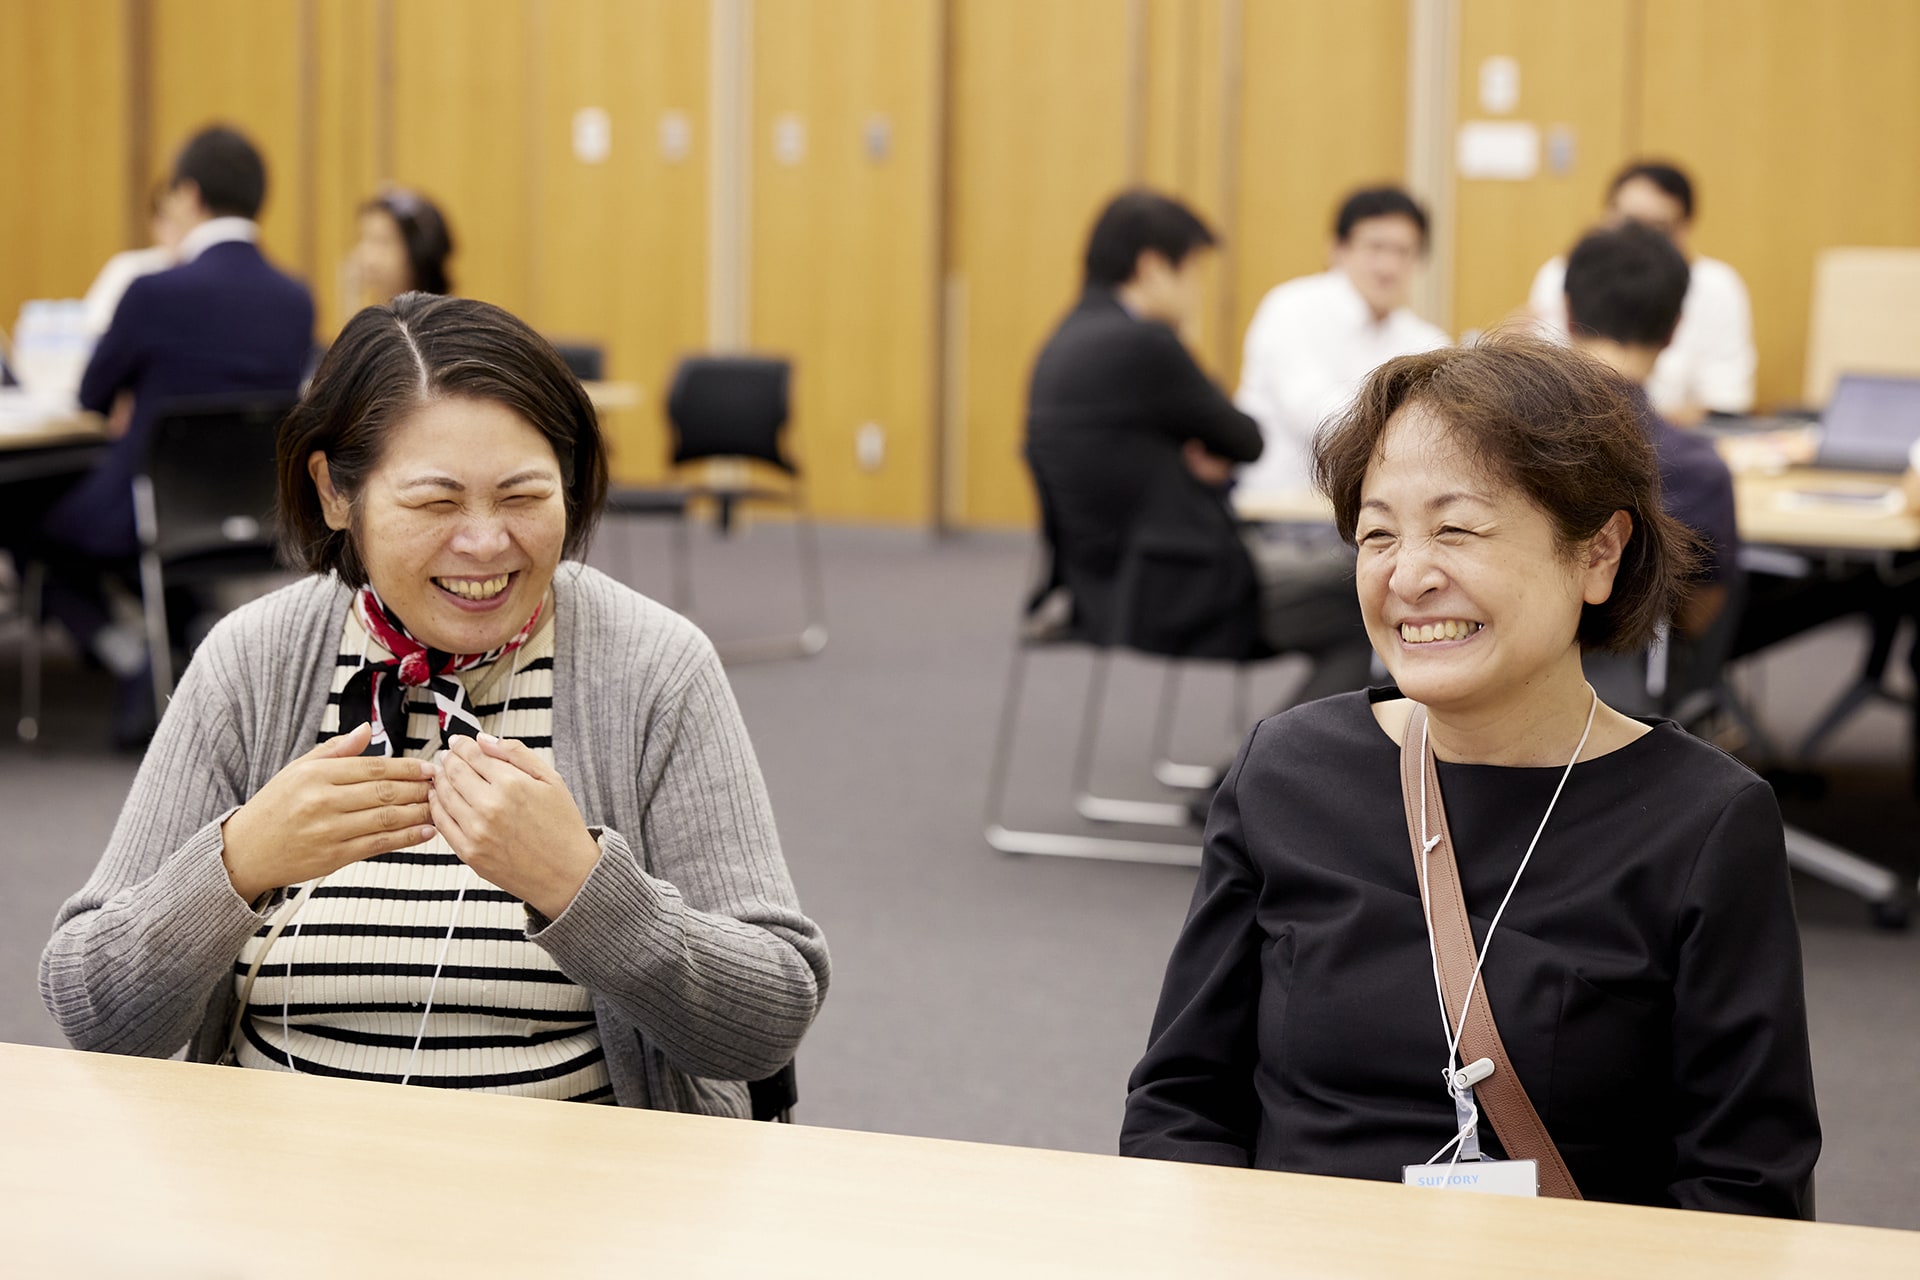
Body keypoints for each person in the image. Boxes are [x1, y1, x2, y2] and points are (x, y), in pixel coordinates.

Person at [41, 293, 829, 1113]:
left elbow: (765, 1025)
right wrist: (240, 863)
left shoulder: (652, 668)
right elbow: (94, 1012)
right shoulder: (255, 662)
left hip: (579, 1211)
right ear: (335, 495)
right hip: (279, 1207)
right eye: (436, 503)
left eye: (524, 497)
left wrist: (581, 887)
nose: (486, 544)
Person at [1121, 336, 1819, 1215]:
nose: (1409, 576)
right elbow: (1179, 1106)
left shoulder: (1703, 823)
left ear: (1598, 553)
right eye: (1378, 534)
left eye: (1457, 528)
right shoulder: (1288, 773)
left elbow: (1745, 1192)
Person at [1025, 190, 1372, 704]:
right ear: (1152, 267)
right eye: (1191, 271)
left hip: (1101, 585)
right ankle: (1261, 776)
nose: (1197, 290)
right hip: (1181, 582)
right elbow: (1246, 439)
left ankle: (1268, 767)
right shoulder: (1144, 344)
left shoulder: (1062, 343)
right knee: (1367, 592)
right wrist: (1179, 342)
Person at [27, 124, 315, 742]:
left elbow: (90, 399)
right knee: (144, 541)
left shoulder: (154, 291)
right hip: (251, 507)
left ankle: (132, 658)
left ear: (187, 194)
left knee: (24, 516)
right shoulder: (295, 299)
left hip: (145, 506)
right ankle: (188, 636)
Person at [1563, 222, 1739, 641]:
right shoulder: (1695, 467)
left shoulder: (1500, 435)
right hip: (1628, 679)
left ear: (1567, 312)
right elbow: (1698, 616)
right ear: (1675, 327)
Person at [1235, 186, 1449, 495]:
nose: (1389, 267)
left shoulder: (1424, 337)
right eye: (1375, 248)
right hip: (1282, 514)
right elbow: (1320, 419)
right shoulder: (1291, 308)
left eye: (1403, 252)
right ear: (1337, 249)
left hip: (1380, 518)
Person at [1528, 161, 1754, 424]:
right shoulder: (1561, 274)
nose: (1637, 238)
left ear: (1684, 229)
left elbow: (1725, 401)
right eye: (1628, 221)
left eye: (1657, 227)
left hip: (1674, 445)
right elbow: (1545, 387)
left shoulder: (1716, 286)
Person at [81, 184, 185, 336]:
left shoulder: (213, 270)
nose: (176, 229)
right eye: (167, 218)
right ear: (155, 223)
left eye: (182, 219)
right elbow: (94, 324)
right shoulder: (130, 267)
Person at [351, 187, 455, 302]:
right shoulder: (378, 314)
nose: (364, 253)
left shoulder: (446, 318)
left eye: (381, 241)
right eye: (363, 239)